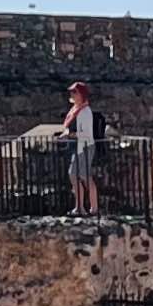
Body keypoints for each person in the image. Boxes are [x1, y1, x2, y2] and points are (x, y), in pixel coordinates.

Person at [63, 80, 101, 215]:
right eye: (72, 92)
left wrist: (71, 135)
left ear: (81, 95)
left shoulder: (85, 112)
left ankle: (93, 208)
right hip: (77, 147)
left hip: (84, 147)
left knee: (84, 176)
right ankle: (80, 207)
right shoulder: (75, 110)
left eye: (75, 92)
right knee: (75, 175)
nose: (72, 95)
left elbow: (86, 133)